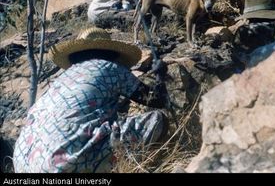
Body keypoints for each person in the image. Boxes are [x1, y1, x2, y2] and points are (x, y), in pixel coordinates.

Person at [13, 27, 168, 173]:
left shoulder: (64, 77)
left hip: (22, 161)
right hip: (62, 163)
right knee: (158, 120)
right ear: (110, 52)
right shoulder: (110, 67)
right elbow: (155, 100)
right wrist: (160, 75)